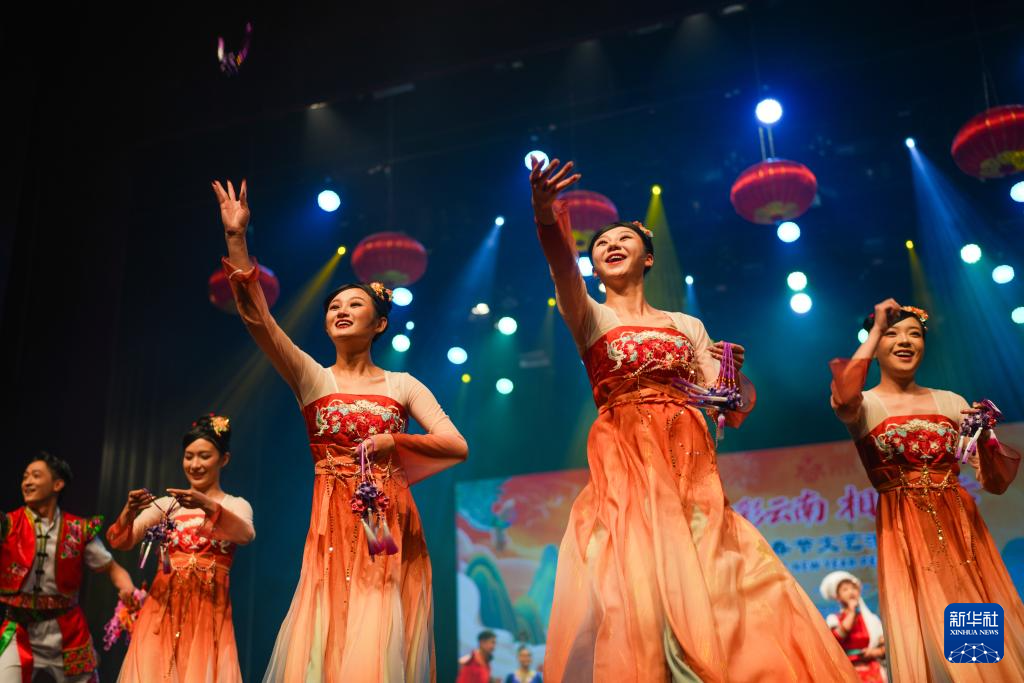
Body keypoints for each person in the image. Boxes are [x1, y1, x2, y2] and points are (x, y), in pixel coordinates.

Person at [529, 157, 858, 682]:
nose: (610, 245)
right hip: (627, 466)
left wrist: (733, 374)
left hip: (690, 467)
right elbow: (562, 268)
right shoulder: (591, 316)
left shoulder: (686, 325)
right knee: (635, 582)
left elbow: (727, 401)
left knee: (719, 574)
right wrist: (547, 215)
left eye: (623, 239)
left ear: (649, 258)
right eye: (600, 244)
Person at [212, 179, 468, 682]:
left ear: (379, 324)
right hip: (332, 523)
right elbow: (259, 320)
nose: (341, 311)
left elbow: (456, 445)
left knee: (382, 632)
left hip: (389, 523)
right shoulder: (314, 378)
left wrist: (393, 441)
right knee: (331, 633)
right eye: (333, 307)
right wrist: (236, 239)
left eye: (353, 305)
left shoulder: (402, 384)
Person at [830, 298, 1024, 682]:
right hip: (904, 532)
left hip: (961, 532)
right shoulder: (865, 405)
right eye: (892, 334)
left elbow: (997, 483)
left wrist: (985, 437)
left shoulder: (950, 401)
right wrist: (875, 327)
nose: (905, 341)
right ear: (875, 344)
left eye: (914, 334)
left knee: (973, 627)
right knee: (926, 626)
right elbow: (845, 394)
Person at [107, 415, 255, 682]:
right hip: (161, 615)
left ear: (224, 459)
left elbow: (245, 535)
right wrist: (128, 511)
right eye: (189, 457)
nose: (195, 464)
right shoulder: (166, 506)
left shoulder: (235, 505)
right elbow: (121, 541)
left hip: (209, 618)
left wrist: (206, 505)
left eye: (204, 456)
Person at [0, 452, 136, 683]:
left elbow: (112, 568)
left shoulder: (77, 529)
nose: (27, 482)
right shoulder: (9, 524)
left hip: (67, 631)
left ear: (57, 484)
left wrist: (128, 590)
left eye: (35, 476)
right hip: (19, 628)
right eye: (25, 477)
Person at [819, 571, 887, 683]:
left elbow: (885, 646)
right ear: (838, 597)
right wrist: (851, 611)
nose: (851, 592)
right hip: (846, 671)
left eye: (853, 588)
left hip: (873, 672)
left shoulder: (871, 619)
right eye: (845, 589)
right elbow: (838, 637)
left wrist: (874, 652)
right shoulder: (834, 619)